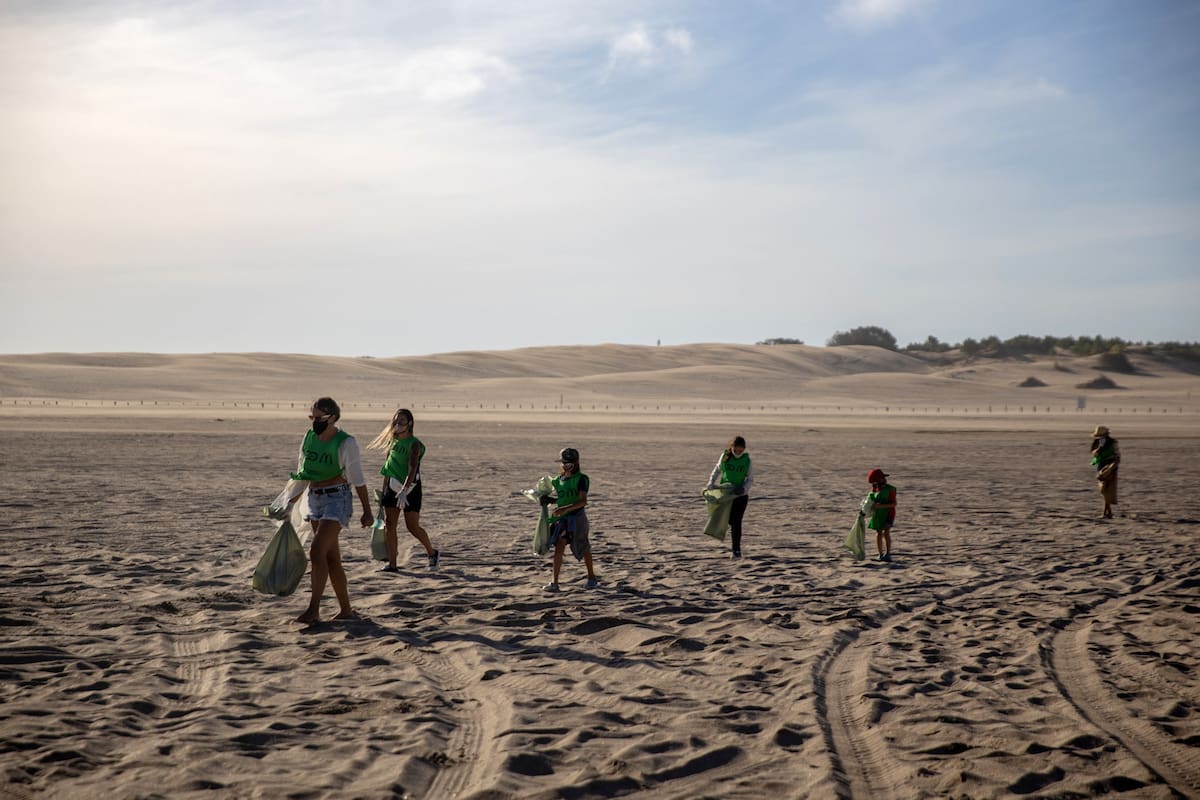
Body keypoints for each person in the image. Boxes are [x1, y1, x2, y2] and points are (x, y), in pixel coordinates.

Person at [287, 397, 373, 624]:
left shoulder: (346, 442)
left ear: (332, 418)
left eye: (319, 418)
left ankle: (313, 610)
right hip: (314, 499)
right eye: (312, 417)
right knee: (331, 557)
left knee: (316, 551)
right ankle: (346, 610)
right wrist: (289, 504)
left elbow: (357, 478)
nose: (314, 422)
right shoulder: (309, 438)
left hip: (337, 499)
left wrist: (367, 510)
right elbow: (302, 472)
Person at [367, 408, 440, 572]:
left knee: (412, 527)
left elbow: (412, 468)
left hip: (410, 489)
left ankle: (432, 552)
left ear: (410, 424)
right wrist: (384, 490)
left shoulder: (414, 444)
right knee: (390, 525)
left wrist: (405, 489)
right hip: (392, 487)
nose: (397, 425)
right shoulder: (392, 441)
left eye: (401, 422)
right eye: (395, 421)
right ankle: (392, 564)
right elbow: (388, 467)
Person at [538, 447, 598, 592]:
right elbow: (563, 498)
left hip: (577, 519)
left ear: (576, 462)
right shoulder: (558, 480)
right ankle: (555, 582)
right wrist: (549, 500)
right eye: (564, 462)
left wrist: (565, 509)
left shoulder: (581, 479)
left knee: (583, 547)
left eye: (569, 462)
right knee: (559, 546)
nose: (566, 465)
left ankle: (591, 578)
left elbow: (583, 501)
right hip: (562, 520)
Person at [706, 436, 753, 558]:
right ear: (731, 448)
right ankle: (735, 548)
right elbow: (716, 470)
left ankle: (736, 551)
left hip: (741, 496)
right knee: (729, 520)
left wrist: (743, 488)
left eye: (740, 451)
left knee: (737, 522)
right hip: (726, 494)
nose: (738, 453)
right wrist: (711, 482)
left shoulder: (747, 461)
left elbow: (750, 479)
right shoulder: (725, 457)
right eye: (736, 450)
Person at [1090, 425, 1121, 519]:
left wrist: (1113, 466)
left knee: (1106, 489)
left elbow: (1117, 455)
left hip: (1109, 467)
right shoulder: (1097, 443)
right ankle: (1108, 513)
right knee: (1104, 490)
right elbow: (1094, 454)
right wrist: (1100, 447)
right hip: (1102, 465)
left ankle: (1107, 513)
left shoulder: (1113, 442)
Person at [866, 468, 896, 562]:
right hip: (878, 515)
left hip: (888, 514)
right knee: (878, 533)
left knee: (886, 531)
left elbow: (894, 504)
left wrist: (881, 506)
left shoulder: (890, 489)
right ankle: (880, 554)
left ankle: (888, 553)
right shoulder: (874, 490)